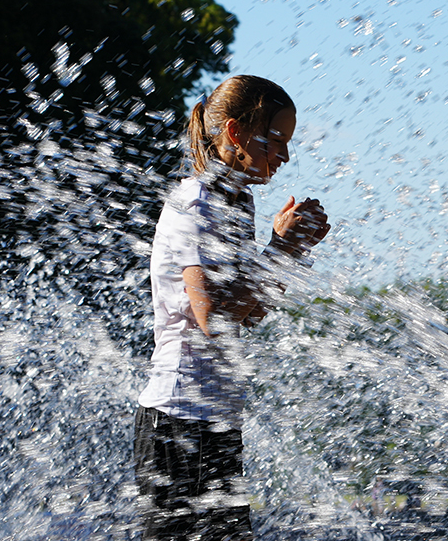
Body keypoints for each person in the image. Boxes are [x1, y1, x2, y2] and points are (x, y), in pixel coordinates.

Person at [133, 75, 330, 540]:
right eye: (276, 138)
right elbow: (214, 319)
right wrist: (280, 249)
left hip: (215, 419)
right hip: (178, 423)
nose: (283, 154)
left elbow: (251, 313)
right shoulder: (196, 202)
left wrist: (291, 252)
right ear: (238, 133)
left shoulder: (237, 202)